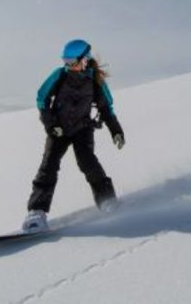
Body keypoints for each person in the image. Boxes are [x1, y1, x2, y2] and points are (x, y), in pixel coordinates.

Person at [23, 39, 126, 231]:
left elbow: (106, 108)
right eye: (66, 60)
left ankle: (107, 201)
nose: (68, 65)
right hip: (59, 129)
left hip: (82, 129)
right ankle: (36, 212)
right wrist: (51, 125)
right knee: (48, 165)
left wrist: (116, 130)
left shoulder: (95, 81)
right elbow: (41, 100)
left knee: (87, 162)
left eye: (72, 61)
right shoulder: (59, 75)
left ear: (84, 59)